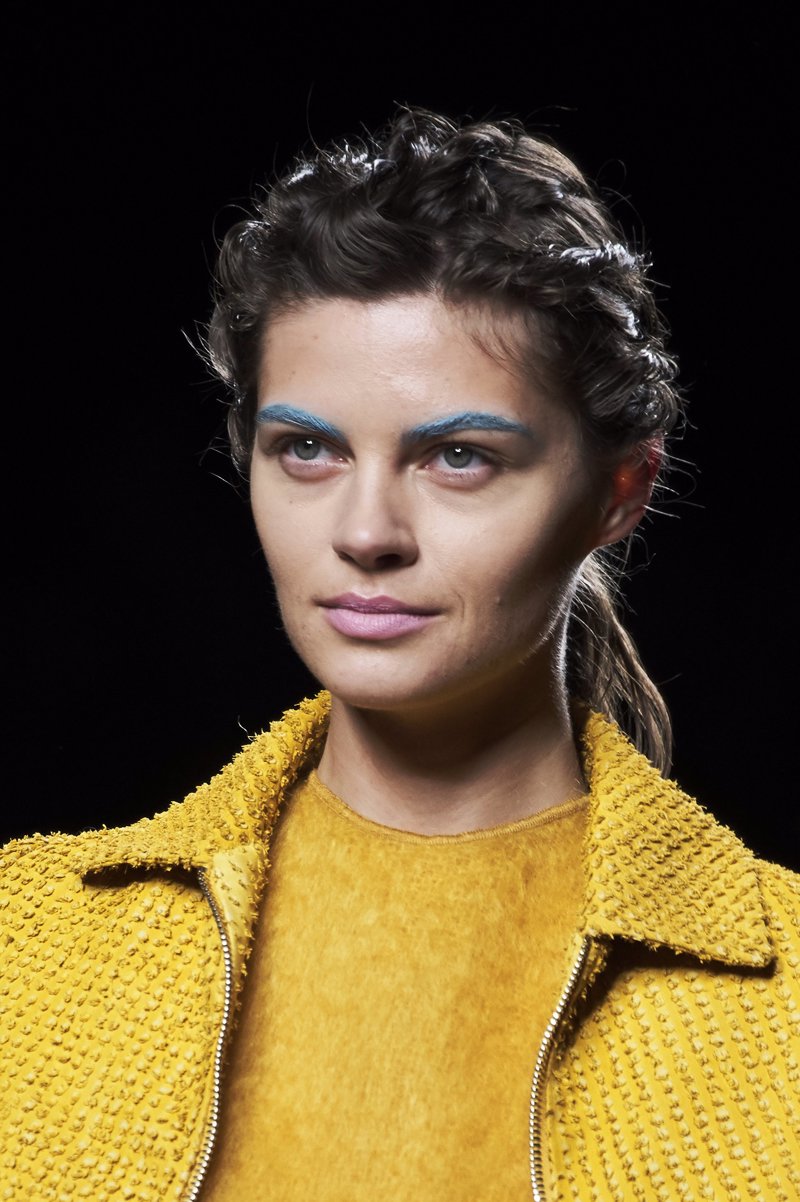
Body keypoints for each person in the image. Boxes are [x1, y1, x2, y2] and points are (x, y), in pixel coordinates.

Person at [1, 108, 797, 1202]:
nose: (365, 532)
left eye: (457, 457)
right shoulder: (30, 937)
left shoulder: (782, 993)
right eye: (308, 449)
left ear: (619, 493)